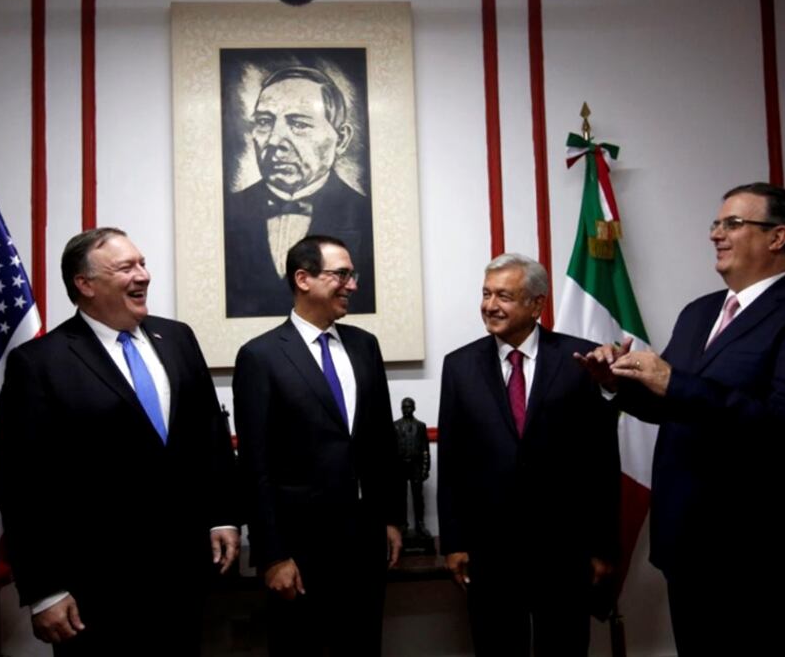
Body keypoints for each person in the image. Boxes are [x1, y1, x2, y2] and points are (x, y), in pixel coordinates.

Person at [577, 183, 785, 656]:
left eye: (733, 223)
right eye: (716, 223)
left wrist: (673, 381)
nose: (716, 234)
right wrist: (617, 382)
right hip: (689, 550)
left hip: (771, 558)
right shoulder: (699, 312)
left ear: (777, 237)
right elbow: (671, 404)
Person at [0, 228, 239, 656]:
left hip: (184, 574)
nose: (143, 275)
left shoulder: (178, 338)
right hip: (95, 589)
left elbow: (210, 438)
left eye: (142, 263)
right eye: (126, 267)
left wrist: (222, 516)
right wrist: (44, 589)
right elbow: (23, 485)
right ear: (85, 284)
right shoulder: (40, 363)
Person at [436, 254, 620, 656]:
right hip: (490, 552)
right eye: (486, 294)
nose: (490, 305)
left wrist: (604, 547)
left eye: (504, 295)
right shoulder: (459, 366)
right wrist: (453, 542)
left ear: (537, 304)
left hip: (564, 551)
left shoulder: (581, 361)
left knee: (565, 648)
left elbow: (602, 462)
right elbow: (452, 463)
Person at [233, 234, 402, 656]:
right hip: (300, 551)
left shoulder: (365, 346)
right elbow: (256, 465)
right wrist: (272, 555)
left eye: (352, 274)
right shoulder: (261, 356)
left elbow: (381, 440)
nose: (352, 284)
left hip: (364, 544)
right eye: (342, 274)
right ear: (303, 278)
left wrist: (391, 519)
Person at [224, 66, 375, 317]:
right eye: (264, 122)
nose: (274, 141)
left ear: (342, 138)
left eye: (298, 124)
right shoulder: (227, 214)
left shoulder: (367, 215)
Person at [393, 397, 431, 540]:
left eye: (409, 407)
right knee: (400, 497)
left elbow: (425, 449)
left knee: (418, 497)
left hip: (416, 465)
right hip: (400, 466)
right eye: (404, 407)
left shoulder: (421, 426)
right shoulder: (394, 425)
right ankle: (403, 525)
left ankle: (420, 524)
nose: (406, 409)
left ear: (414, 408)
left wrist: (425, 468)